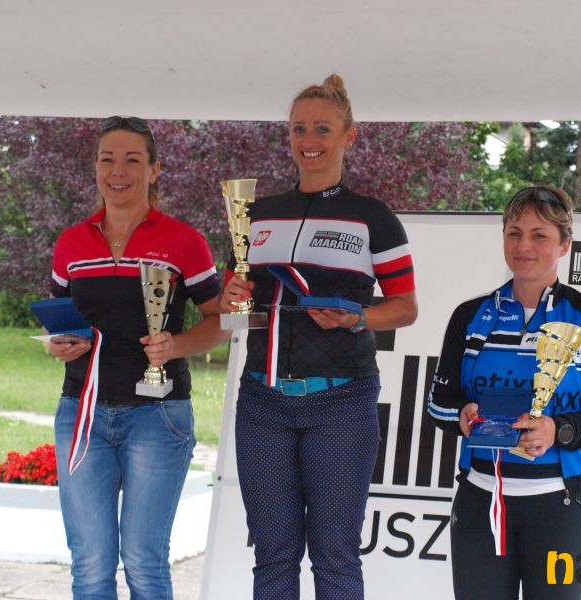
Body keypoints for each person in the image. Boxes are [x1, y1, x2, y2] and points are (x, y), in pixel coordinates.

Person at [219, 74, 418, 600]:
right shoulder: (257, 215)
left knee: (334, 557)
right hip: (262, 401)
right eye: (299, 128)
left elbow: (405, 309)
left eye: (323, 129)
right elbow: (230, 309)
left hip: (341, 402)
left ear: (349, 136)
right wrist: (232, 297)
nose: (309, 140)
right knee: (273, 557)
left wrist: (358, 318)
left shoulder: (371, 217)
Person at [48, 115, 225, 599]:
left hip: (158, 416)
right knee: (90, 565)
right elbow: (60, 320)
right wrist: (60, 343)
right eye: (107, 159)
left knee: (145, 563)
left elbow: (220, 320)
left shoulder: (185, 241)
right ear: (95, 167)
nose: (118, 171)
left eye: (132, 160)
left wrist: (177, 345)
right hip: (82, 414)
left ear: (154, 169)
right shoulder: (71, 243)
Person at [427, 186, 581, 600]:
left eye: (540, 235)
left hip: (562, 507)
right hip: (482, 502)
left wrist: (558, 430)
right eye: (514, 233)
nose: (524, 246)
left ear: (564, 245)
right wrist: (461, 416)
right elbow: (437, 403)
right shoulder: (470, 316)